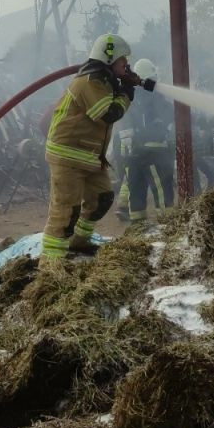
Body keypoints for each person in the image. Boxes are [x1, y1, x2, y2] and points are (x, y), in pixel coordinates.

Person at [40, 33, 145, 264]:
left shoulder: (104, 81)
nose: (126, 65)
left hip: (89, 156)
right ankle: (50, 265)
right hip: (68, 155)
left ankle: (79, 241)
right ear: (108, 59)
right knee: (65, 211)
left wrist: (123, 86)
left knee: (102, 198)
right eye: (122, 61)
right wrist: (127, 92)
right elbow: (107, 113)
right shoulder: (90, 81)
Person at [122, 59, 175, 221]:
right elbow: (169, 117)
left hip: (132, 154)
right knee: (161, 189)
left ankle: (138, 227)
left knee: (136, 189)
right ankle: (167, 224)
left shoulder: (129, 97)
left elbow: (124, 126)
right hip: (154, 152)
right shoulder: (155, 97)